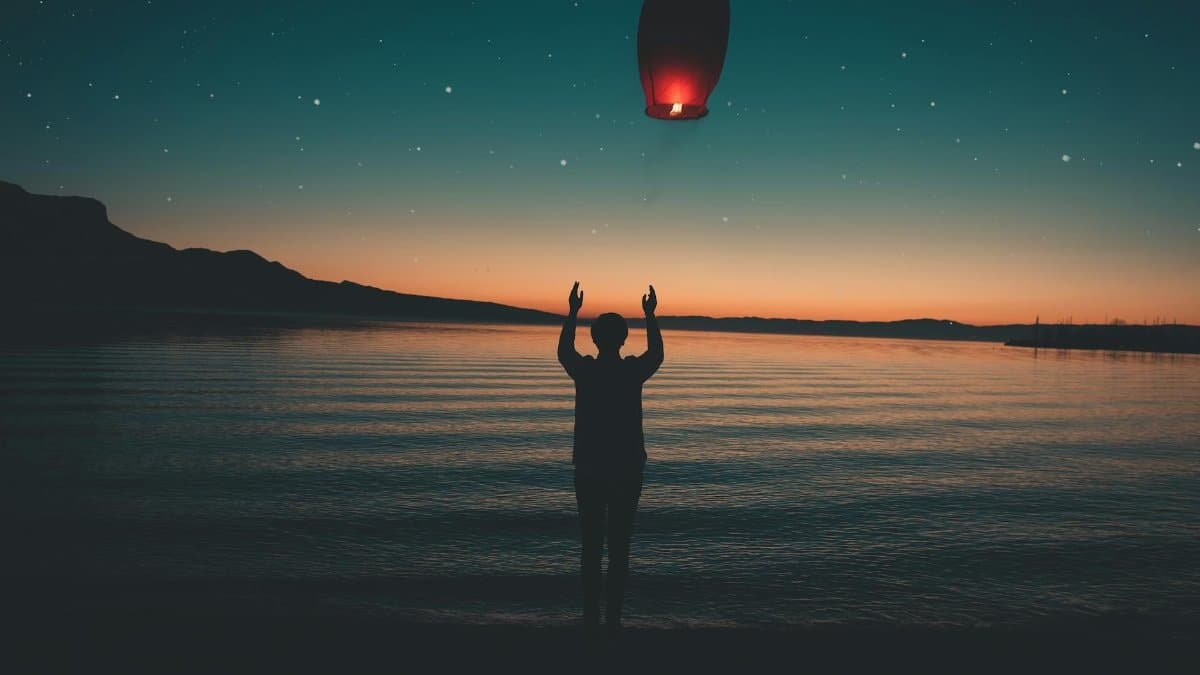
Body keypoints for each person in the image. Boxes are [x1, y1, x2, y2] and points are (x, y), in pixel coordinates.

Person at [557, 281, 664, 637]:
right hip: (627, 468)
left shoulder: (586, 371)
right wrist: (650, 316)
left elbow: (564, 352)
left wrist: (572, 311)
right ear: (622, 340)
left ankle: (591, 619)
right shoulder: (630, 372)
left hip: (590, 468)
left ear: (594, 339)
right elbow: (656, 355)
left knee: (591, 545)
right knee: (620, 546)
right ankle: (613, 621)